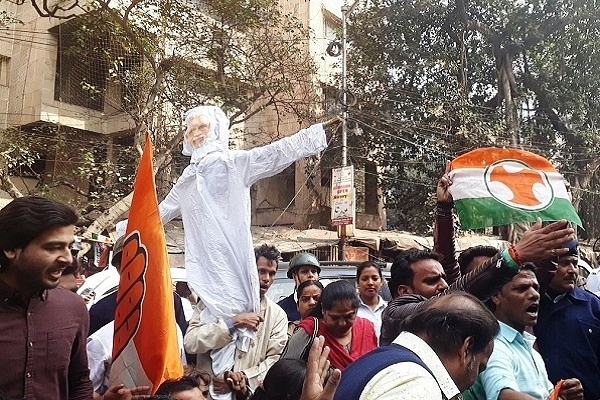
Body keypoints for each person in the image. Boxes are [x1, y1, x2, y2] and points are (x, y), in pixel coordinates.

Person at [379, 169, 576, 346]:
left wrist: (556, 208)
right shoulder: (396, 314)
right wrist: (514, 256)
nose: (443, 285)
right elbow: (451, 288)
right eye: (432, 280)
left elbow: (544, 267)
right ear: (403, 291)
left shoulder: (508, 319)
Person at [0, 196, 93, 400]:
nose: (68, 259)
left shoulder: (73, 308)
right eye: (53, 248)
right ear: (10, 249)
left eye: (69, 247)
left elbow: (78, 382)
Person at [334, 292, 499, 400]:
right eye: (480, 367)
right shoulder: (418, 385)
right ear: (467, 348)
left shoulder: (378, 360)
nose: (475, 378)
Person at [183, 244, 288, 399]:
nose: (266, 279)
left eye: (272, 274)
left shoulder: (277, 316)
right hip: (207, 394)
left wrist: (242, 378)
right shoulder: (212, 303)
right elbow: (190, 342)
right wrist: (231, 324)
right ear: (249, 271)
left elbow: (274, 360)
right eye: (261, 271)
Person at [468, 265, 584, 400]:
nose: (534, 295)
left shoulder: (530, 349)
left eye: (536, 288)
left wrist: (562, 395)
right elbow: (504, 396)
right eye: (521, 288)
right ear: (496, 296)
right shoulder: (494, 346)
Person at [533, 240, 600, 400]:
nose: (572, 270)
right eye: (563, 263)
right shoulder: (530, 306)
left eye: (574, 263)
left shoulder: (592, 306)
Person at [88, 235, 188, 336]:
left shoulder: (171, 301)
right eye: (131, 261)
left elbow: (181, 344)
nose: (140, 267)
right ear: (119, 268)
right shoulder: (100, 310)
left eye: (144, 260)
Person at [282, 280, 377, 371]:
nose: (342, 323)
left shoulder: (367, 328)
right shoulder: (310, 330)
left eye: (349, 316)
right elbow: (284, 370)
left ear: (356, 311)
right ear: (323, 310)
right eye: (335, 318)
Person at [278, 252, 321, 322]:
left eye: (313, 271)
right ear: (294, 277)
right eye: (304, 271)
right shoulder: (281, 309)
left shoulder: (328, 304)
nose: (310, 275)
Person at [355, 261, 387, 341]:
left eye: (375, 279)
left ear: (381, 282)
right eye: (365, 279)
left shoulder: (389, 309)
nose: (370, 283)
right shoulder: (352, 310)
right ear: (358, 282)